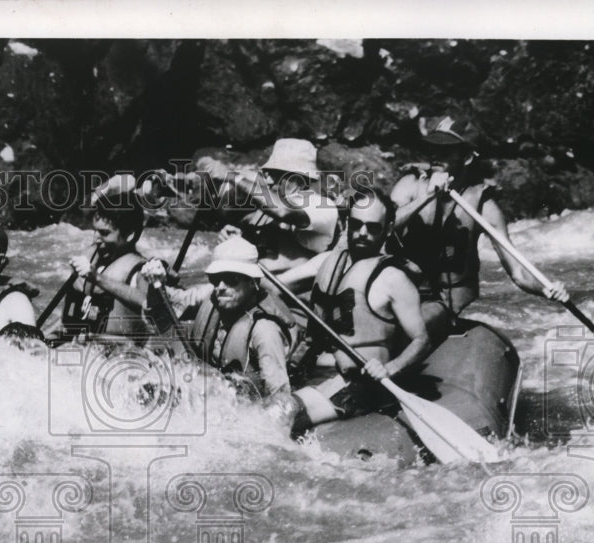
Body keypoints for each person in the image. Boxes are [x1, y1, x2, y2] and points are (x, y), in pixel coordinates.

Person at [389, 115, 569, 341]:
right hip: (400, 292)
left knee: (414, 325)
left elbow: (518, 272)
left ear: (466, 157)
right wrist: (427, 198)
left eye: (446, 150)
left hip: (445, 303)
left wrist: (546, 288)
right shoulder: (410, 185)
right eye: (434, 148)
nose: (436, 155)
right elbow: (386, 227)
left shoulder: (484, 207)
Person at [287, 190, 430, 438]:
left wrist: (390, 368)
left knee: (281, 413)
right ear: (346, 224)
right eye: (357, 225)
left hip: (358, 385)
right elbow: (272, 284)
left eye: (373, 227)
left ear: (388, 229)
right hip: (315, 373)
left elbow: (422, 340)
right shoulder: (327, 263)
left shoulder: (394, 279)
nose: (363, 233)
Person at [141, 237, 295, 401]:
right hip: (210, 393)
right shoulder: (213, 295)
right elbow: (161, 312)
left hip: (244, 405)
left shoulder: (265, 331)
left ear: (253, 282)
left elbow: (280, 399)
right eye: (215, 279)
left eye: (231, 280)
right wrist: (156, 279)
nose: (221, 287)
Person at [196, 138, 341, 274]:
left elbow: (283, 211)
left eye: (275, 174)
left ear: (298, 180)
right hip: (256, 286)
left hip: (293, 293)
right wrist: (235, 237)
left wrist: (233, 176)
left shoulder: (322, 206)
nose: (269, 180)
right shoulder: (266, 206)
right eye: (267, 174)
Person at [50, 189, 153, 344]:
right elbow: (66, 322)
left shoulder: (142, 271)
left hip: (118, 357)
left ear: (130, 234)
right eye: (95, 231)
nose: (96, 239)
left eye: (104, 233)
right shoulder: (89, 257)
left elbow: (149, 304)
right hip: (77, 349)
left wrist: (97, 278)